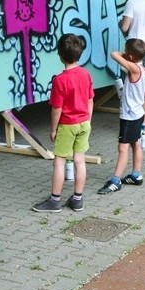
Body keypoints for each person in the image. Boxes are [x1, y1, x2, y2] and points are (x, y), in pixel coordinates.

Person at [32, 33, 94, 213]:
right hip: (84, 122)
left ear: (59, 54)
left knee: (59, 162)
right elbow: (90, 101)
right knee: (79, 161)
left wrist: (53, 129)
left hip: (68, 125)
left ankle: (55, 201)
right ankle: (77, 199)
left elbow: (56, 109)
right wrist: (87, 120)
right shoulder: (86, 74)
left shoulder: (60, 80)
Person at [98, 39, 145, 195]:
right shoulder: (141, 68)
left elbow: (114, 54)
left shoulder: (134, 69)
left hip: (129, 115)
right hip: (138, 113)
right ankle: (136, 175)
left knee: (123, 148)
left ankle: (115, 181)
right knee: (136, 144)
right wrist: (129, 54)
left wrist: (124, 54)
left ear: (131, 57)